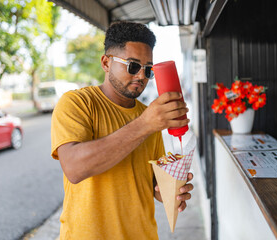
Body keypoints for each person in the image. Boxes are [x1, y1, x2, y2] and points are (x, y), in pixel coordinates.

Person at [51, 21, 194, 240]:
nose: (141, 76)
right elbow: (74, 168)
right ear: (106, 63)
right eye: (133, 66)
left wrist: (170, 191)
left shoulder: (149, 116)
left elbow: (152, 186)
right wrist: (145, 124)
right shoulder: (77, 103)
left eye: (148, 70)